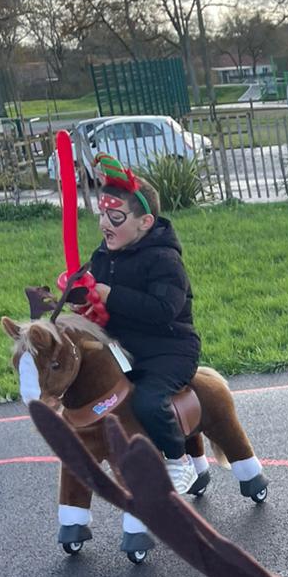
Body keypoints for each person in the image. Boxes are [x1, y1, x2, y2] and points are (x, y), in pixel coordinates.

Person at [85, 154, 202, 493]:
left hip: (169, 350)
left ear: (145, 222)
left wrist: (111, 295)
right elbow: (94, 296)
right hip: (124, 349)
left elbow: (164, 309)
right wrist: (80, 298)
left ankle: (178, 460)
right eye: (102, 214)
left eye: (116, 217)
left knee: (148, 401)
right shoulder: (103, 255)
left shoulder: (164, 259)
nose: (105, 223)